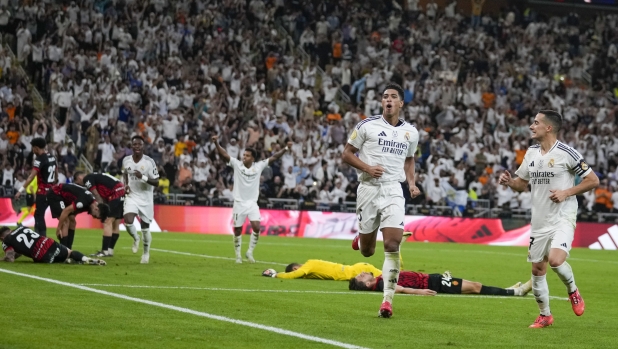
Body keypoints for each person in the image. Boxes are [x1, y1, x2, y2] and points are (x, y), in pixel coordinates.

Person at [498, 110, 600, 328]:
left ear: (548, 128)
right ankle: (545, 315)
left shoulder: (567, 153)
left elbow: (593, 180)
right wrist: (509, 182)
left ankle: (573, 290)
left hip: (562, 216)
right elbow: (521, 185)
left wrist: (566, 192)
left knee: (555, 260)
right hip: (539, 220)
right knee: (537, 270)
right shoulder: (532, 153)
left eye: (536, 123)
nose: (531, 126)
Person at [341, 82, 420, 318]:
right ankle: (362, 236)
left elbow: (409, 160)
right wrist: (367, 167)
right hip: (368, 188)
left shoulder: (411, 132)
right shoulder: (367, 126)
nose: (388, 100)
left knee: (392, 245)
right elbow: (346, 154)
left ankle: (387, 301)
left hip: (394, 189)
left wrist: (412, 183)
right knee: (367, 252)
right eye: (385, 96)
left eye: (393, 97)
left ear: (401, 103)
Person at [212, 135, 291, 263]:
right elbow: (224, 155)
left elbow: (275, 157)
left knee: (256, 227)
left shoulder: (258, 166)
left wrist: (286, 148)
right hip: (239, 203)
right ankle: (238, 255)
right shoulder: (237, 165)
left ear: (252, 158)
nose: (244, 157)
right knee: (238, 229)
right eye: (243, 155)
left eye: (247, 156)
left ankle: (249, 252)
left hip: (252, 203)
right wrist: (216, 144)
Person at [348, 270, 532, 297]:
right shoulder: (381, 284)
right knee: (475, 287)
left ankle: (507, 290)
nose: (363, 273)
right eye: (361, 277)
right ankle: (515, 293)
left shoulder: (380, 276)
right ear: (365, 285)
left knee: (473, 286)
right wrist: (420, 292)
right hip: (434, 283)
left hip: (433, 278)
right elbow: (400, 288)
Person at [122, 136, 160, 264]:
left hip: (146, 198)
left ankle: (145, 253)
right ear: (131, 146)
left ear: (143, 147)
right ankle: (135, 238)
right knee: (128, 220)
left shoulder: (149, 162)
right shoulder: (126, 160)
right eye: (135, 144)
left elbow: (157, 182)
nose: (137, 146)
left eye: (139, 144)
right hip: (132, 195)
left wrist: (143, 177)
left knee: (145, 228)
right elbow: (125, 173)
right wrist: (125, 185)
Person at [74, 171, 126, 257]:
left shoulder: (87, 178)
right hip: (121, 191)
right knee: (116, 224)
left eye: (78, 183)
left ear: (79, 178)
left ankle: (104, 251)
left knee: (107, 222)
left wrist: (101, 206)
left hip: (115, 193)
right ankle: (110, 250)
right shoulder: (96, 176)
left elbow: (95, 193)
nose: (80, 185)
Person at [14, 138, 58, 236]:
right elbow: (56, 173)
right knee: (56, 215)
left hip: (42, 193)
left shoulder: (40, 159)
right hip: (52, 191)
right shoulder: (52, 156)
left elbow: (30, 177)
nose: (32, 150)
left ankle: (41, 239)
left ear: (36, 148)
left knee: (39, 216)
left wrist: (20, 190)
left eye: (33, 148)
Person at [1, 225, 106, 265]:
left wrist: (2, 259)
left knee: (42, 257)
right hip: (49, 243)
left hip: (41, 255)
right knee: (69, 252)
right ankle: (85, 259)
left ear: (2, 238)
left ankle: (65, 261)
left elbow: (10, 258)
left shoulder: (6, 241)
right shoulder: (22, 227)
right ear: (10, 230)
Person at [47, 183, 110, 248]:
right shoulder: (83, 202)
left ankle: (69, 250)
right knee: (66, 221)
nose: (94, 217)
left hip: (64, 197)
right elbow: (66, 211)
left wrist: (72, 216)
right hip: (56, 193)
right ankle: (64, 252)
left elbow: (75, 211)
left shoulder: (91, 203)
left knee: (72, 221)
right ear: (96, 209)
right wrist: (58, 228)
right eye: (96, 216)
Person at [261, 260, 382, 280]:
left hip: (358, 271)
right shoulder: (311, 264)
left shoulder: (308, 265)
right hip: (357, 269)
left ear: (295, 268)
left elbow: (295, 274)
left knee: (395, 278)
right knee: (394, 277)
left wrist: (275, 275)